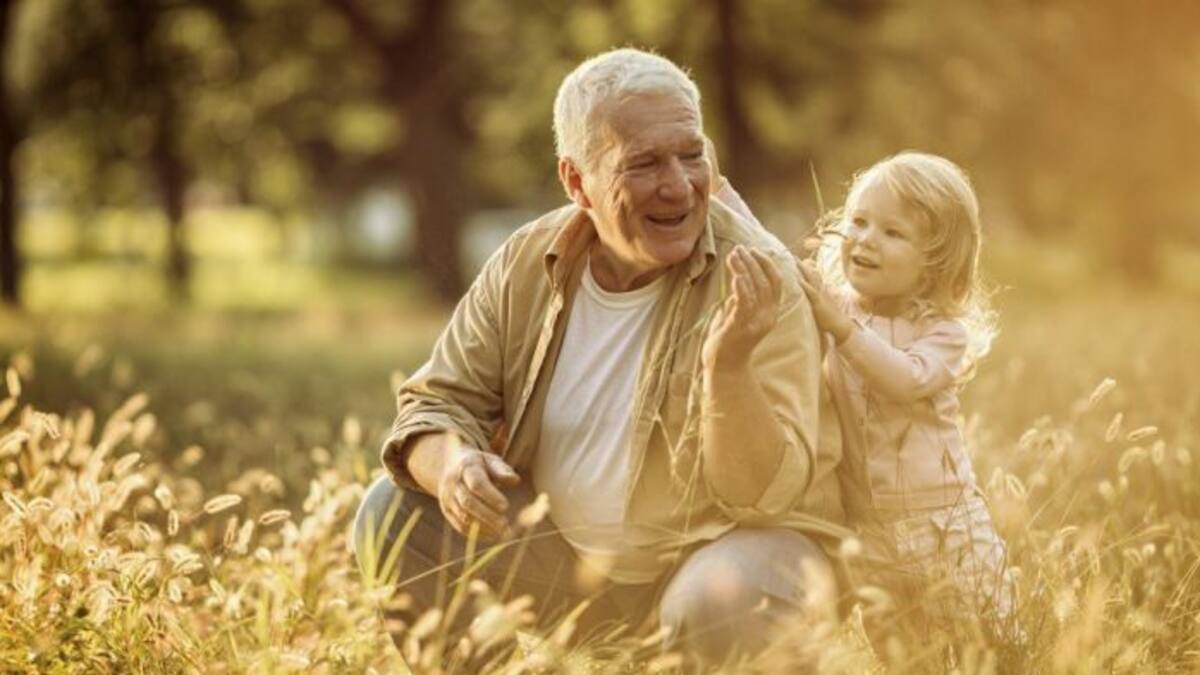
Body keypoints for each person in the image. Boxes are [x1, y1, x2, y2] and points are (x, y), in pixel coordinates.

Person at [352, 47, 849, 665]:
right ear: (575, 180)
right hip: (569, 570)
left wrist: (729, 371)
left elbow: (763, 498)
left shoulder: (757, 275)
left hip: (730, 560)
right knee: (389, 511)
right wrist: (451, 467)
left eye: (692, 155)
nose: (679, 185)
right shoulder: (526, 261)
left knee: (721, 598)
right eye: (643, 164)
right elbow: (438, 402)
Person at [793, 152, 1016, 647]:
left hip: (945, 525)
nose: (867, 239)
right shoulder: (837, 308)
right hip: (868, 527)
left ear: (935, 265)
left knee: (989, 641)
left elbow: (906, 378)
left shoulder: (941, 333)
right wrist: (719, 193)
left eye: (893, 233)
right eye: (859, 221)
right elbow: (774, 260)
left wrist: (839, 327)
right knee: (901, 650)